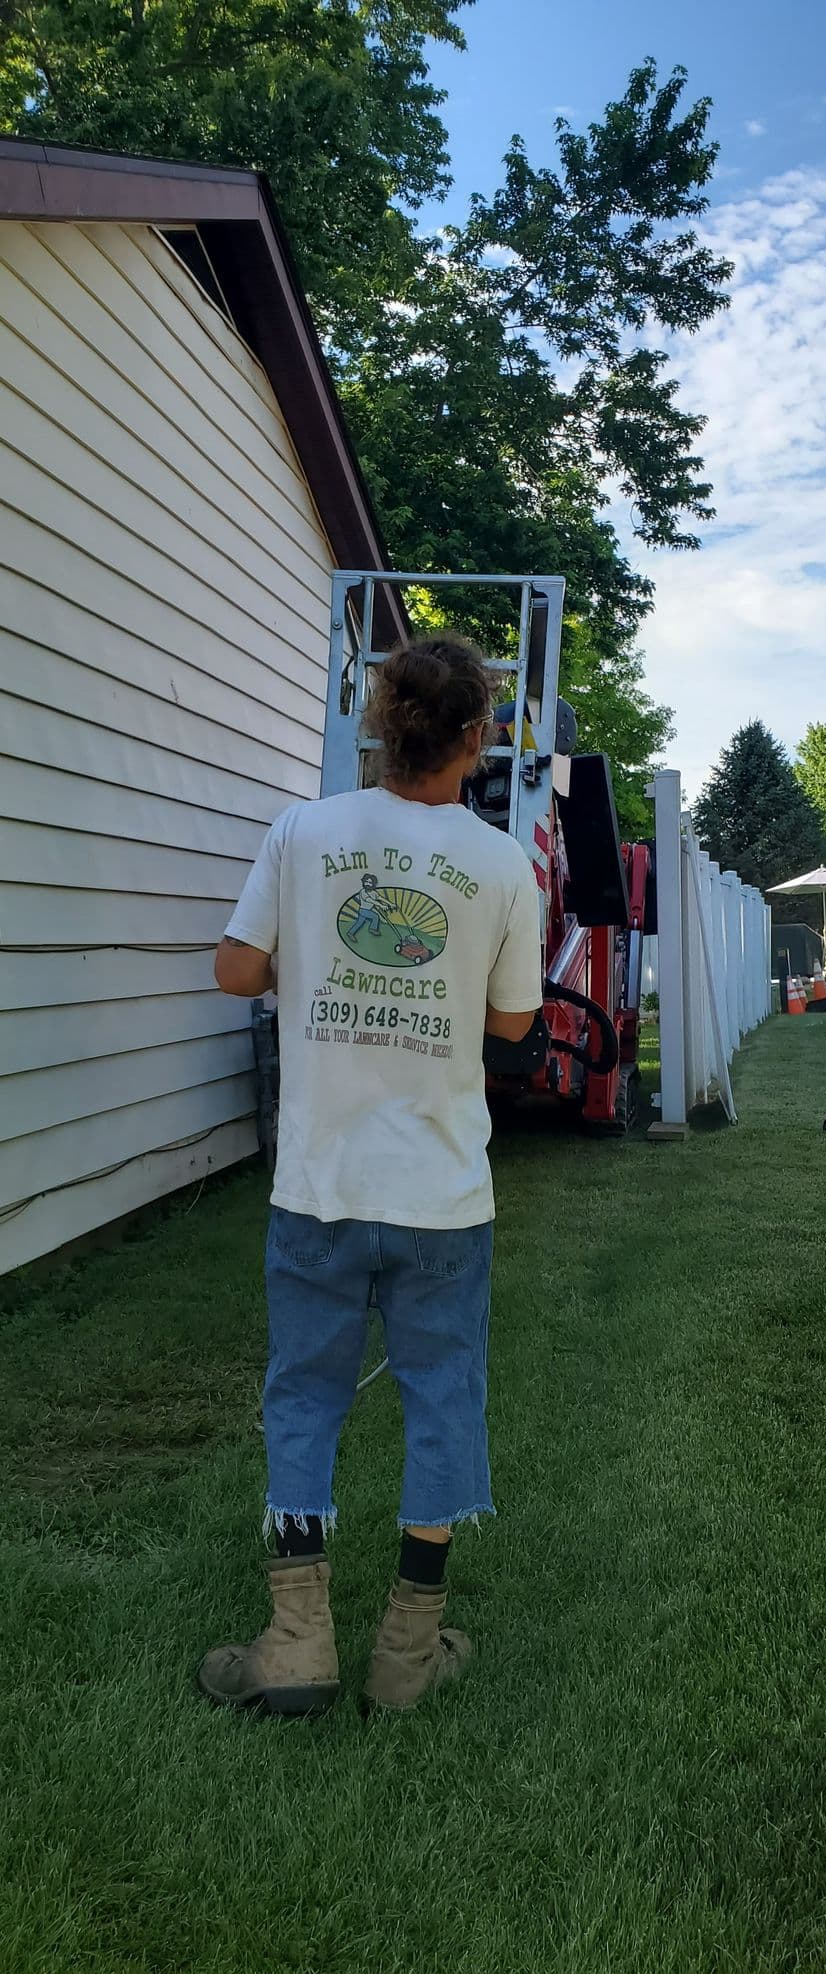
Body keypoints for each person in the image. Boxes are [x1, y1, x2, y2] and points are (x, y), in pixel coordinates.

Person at [198, 633, 543, 1717]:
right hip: (441, 1191)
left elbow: (235, 969)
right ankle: (408, 1649)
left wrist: (321, 959)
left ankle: (298, 1639)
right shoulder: (499, 863)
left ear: (380, 727)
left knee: (304, 1394)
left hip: (319, 1181)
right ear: (477, 739)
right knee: (443, 1398)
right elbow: (516, 1022)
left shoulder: (304, 832)